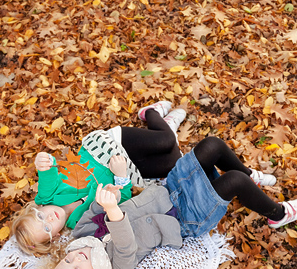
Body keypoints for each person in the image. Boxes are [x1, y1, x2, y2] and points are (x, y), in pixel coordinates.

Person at [33, 136, 297, 269]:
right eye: (78, 268)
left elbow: (94, 208)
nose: (75, 258)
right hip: (185, 216)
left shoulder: (82, 235)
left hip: (166, 191)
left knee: (211, 146)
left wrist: (112, 195)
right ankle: (277, 213)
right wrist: (113, 211)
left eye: (67, 261)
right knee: (233, 182)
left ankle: (251, 176)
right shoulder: (115, 266)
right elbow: (125, 240)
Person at [11, 101, 186, 255]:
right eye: (47, 228)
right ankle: (167, 125)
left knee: (165, 141)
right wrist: (120, 176)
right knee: (174, 163)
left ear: (38, 209)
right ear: (56, 236)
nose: (48, 219)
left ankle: (151, 113)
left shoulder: (48, 196)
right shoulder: (81, 223)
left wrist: (43, 161)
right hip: (124, 168)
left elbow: (47, 170)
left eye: (40, 217)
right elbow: (120, 201)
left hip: (106, 149)